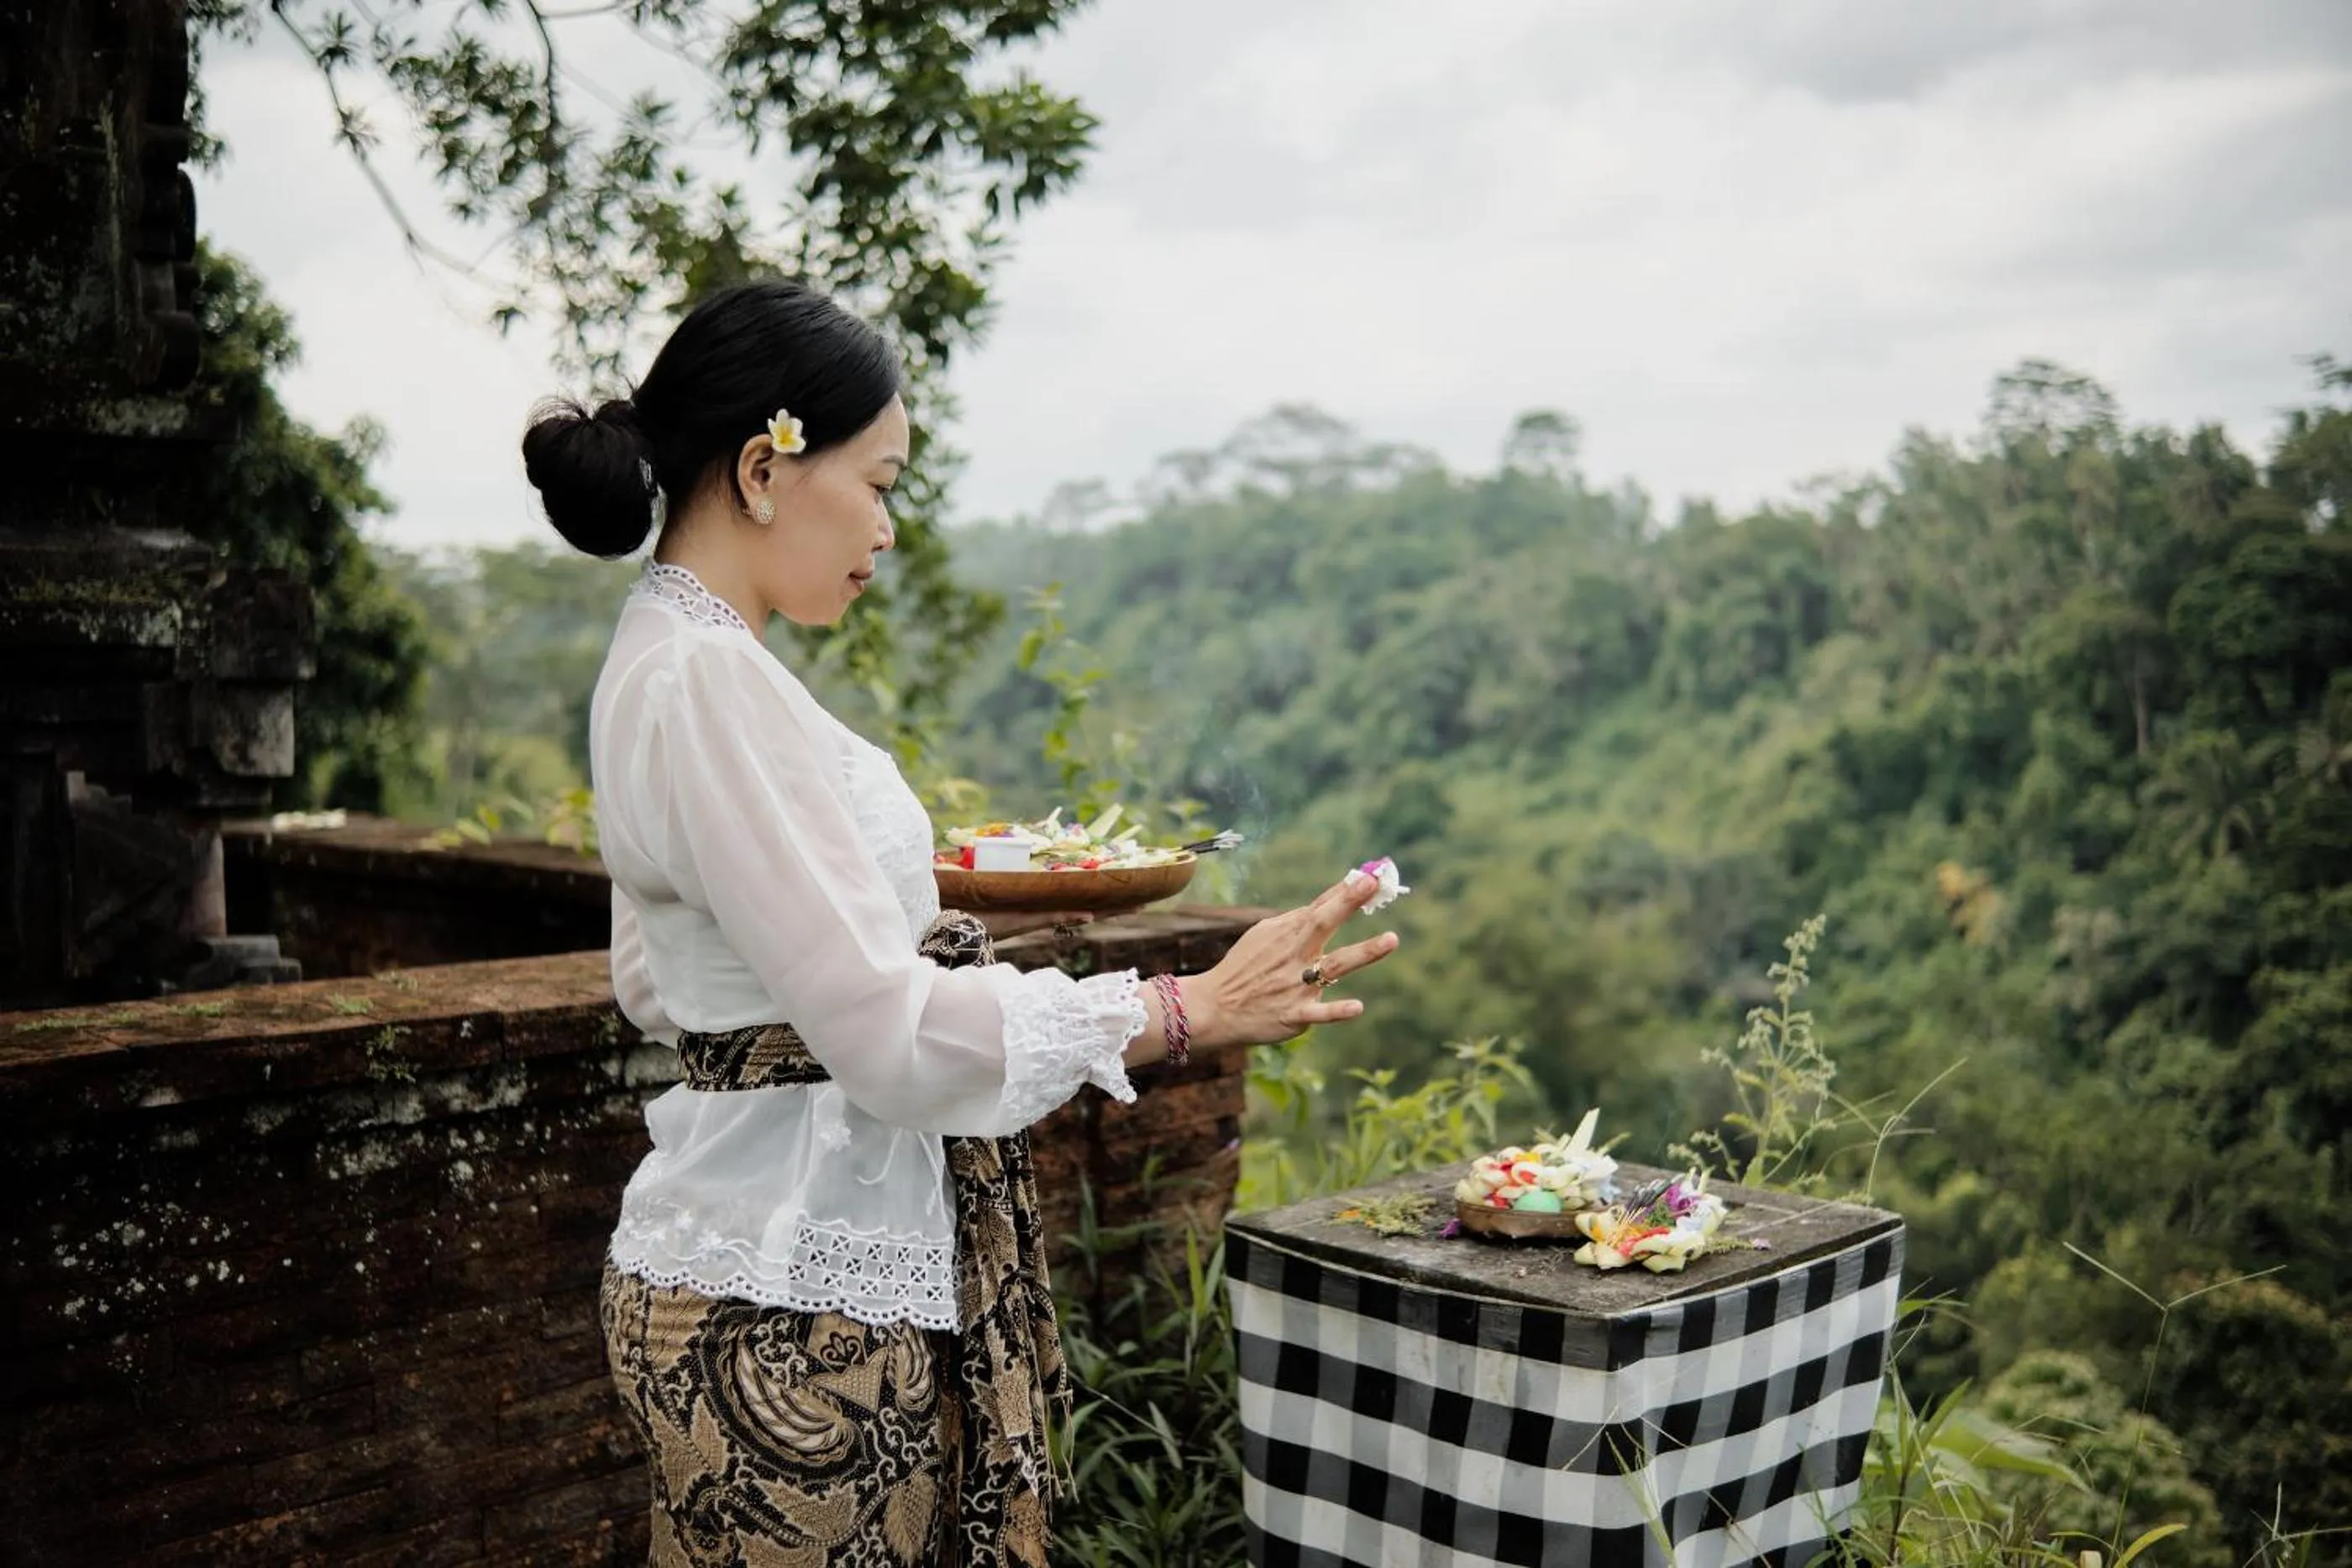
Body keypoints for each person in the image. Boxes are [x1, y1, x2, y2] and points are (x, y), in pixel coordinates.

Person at [521, 278, 1400, 1568]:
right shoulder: (704, 678)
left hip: (776, 1266)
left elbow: (667, 971)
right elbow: (887, 1038)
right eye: (879, 484)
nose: (887, 526)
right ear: (767, 468)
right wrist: (1180, 1007)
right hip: (784, 1304)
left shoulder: (678, 656)